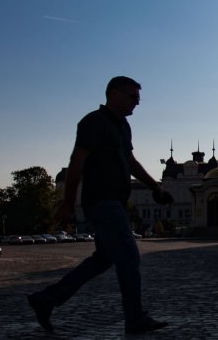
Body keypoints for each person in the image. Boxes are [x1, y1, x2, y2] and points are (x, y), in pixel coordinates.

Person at [27, 76, 173, 334]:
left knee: (103, 259)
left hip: (115, 202)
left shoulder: (123, 126)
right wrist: (68, 202)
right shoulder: (93, 122)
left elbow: (130, 161)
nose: (137, 103)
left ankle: (46, 299)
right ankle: (135, 318)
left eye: (138, 99)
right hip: (101, 201)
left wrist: (155, 187)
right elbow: (76, 162)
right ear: (114, 93)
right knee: (129, 256)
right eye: (133, 97)